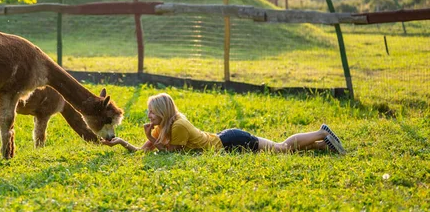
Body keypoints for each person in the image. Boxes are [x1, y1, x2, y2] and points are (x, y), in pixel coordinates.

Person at [101, 93, 346, 155]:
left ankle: (320, 132)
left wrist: (153, 139)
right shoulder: (161, 126)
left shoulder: (177, 126)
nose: (149, 115)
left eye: (152, 111)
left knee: (282, 148)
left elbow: (169, 152)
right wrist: (121, 142)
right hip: (223, 138)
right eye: (148, 111)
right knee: (285, 151)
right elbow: (145, 151)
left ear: (163, 111)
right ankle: (323, 145)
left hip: (232, 142)